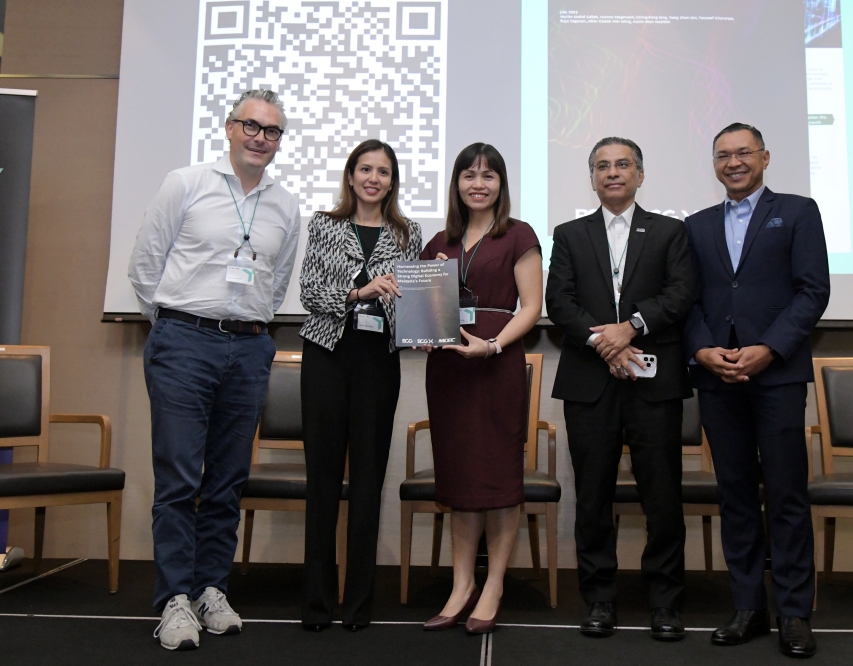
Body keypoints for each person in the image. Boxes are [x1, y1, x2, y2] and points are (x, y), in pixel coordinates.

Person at [128, 89, 301, 651]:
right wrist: (182, 321)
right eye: (251, 126)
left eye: (272, 131)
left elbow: (274, 285)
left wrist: (241, 321)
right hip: (184, 341)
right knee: (179, 479)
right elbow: (145, 266)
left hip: (249, 348)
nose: (261, 138)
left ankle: (209, 588)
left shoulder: (285, 204)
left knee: (226, 481)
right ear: (228, 128)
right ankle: (174, 600)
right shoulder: (186, 183)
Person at [683, 123, 830, 659]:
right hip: (717, 376)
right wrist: (701, 349)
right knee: (736, 495)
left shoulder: (797, 211)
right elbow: (687, 300)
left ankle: (794, 612)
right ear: (714, 164)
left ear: (765, 157)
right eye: (723, 155)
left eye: (744, 153)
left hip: (778, 374)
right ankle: (748, 606)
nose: (734, 162)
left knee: (788, 495)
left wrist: (769, 347)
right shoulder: (696, 226)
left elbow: (813, 291)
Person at [546, 137, 696, 641]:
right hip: (591, 383)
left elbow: (680, 293)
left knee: (662, 495)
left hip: (655, 383)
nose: (613, 173)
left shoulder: (671, 232)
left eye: (623, 165)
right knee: (592, 497)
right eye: (602, 166)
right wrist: (604, 342)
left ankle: (666, 603)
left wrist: (629, 327)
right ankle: (600, 599)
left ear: (640, 173)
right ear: (592, 178)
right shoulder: (569, 234)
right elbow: (560, 301)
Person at [298, 140, 422, 631]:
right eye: (365, 169)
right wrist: (359, 291)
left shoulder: (407, 233)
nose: (374, 178)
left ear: (393, 181)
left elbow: (413, 304)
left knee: (369, 480)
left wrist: (429, 329)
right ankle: (317, 603)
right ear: (351, 176)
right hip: (327, 355)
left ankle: (358, 605)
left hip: (377, 361)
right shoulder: (324, 225)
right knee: (323, 481)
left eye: (384, 172)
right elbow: (310, 293)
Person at [420, 143, 543, 634]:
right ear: (456, 183)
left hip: (496, 366)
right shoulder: (439, 241)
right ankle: (461, 585)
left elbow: (532, 307)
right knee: (460, 476)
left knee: (497, 477)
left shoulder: (518, 235)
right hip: (450, 372)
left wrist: (491, 347)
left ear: (501, 184)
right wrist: (426, 336)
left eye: (488, 175)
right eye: (469, 175)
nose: (478, 183)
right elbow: (426, 311)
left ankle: (493, 586)